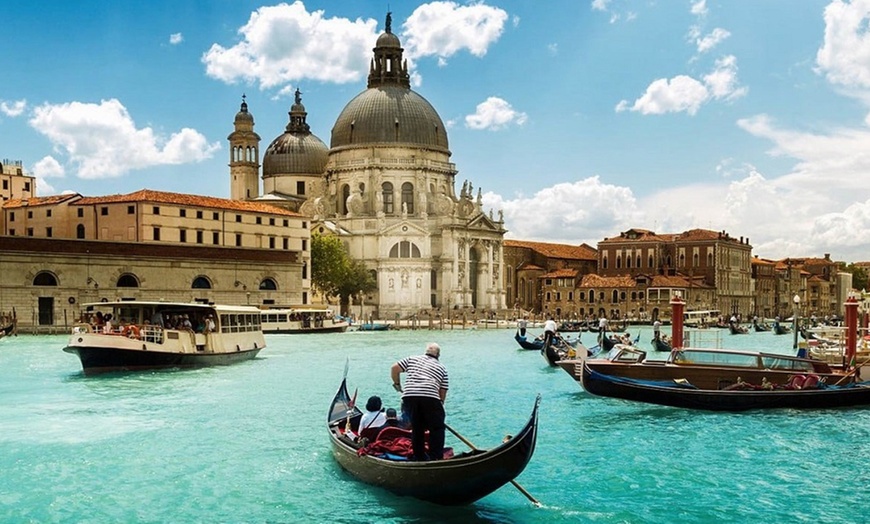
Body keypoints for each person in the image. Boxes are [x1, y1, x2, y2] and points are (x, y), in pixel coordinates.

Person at [390, 342, 449, 460]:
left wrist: (397, 384)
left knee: (417, 428)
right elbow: (443, 390)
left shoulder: (412, 359)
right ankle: (436, 457)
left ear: (426, 352)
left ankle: (419, 456)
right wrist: (439, 405)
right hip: (430, 397)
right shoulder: (442, 368)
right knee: (437, 428)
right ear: (438, 355)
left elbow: (394, 368)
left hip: (409, 396)